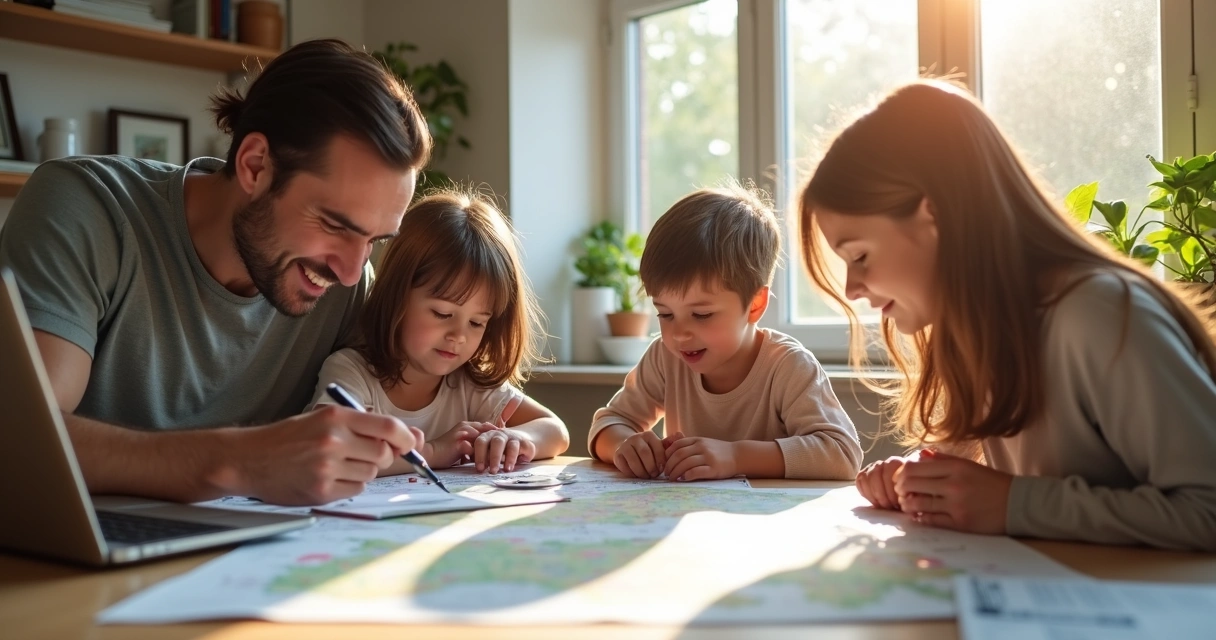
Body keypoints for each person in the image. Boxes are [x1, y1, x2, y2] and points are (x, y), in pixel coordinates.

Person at [0, 39, 433, 506]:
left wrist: (490, 432)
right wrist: (239, 463)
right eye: (334, 225)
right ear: (255, 166)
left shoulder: (342, 286)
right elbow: (21, 436)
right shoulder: (86, 209)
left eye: (374, 240)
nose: (350, 272)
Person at [799, 79, 1216, 551]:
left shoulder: (1099, 314)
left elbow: (1207, 506)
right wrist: (927, 482)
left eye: (859, 256)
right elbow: (998, 484)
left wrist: (1014, 505)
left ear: (935, 213)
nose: (852, 289)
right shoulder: (983, 329)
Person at [588, 184, 863, 481]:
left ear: (755, 305)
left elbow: (842, 454)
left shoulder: (788, 366)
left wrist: (735, 457)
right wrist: (625, 445)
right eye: (665, 314)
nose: (679, 334)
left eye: (701, 315)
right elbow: (609, 423)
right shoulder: (665, 358)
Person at [309, 190, 569, 474]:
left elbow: (555, 430)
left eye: (476, 323)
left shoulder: (468, 384)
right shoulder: (351, 372)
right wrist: (432, 452)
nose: (459, 336)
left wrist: (514, 437)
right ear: (396, 296)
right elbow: (334, 452)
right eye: (443, 314)